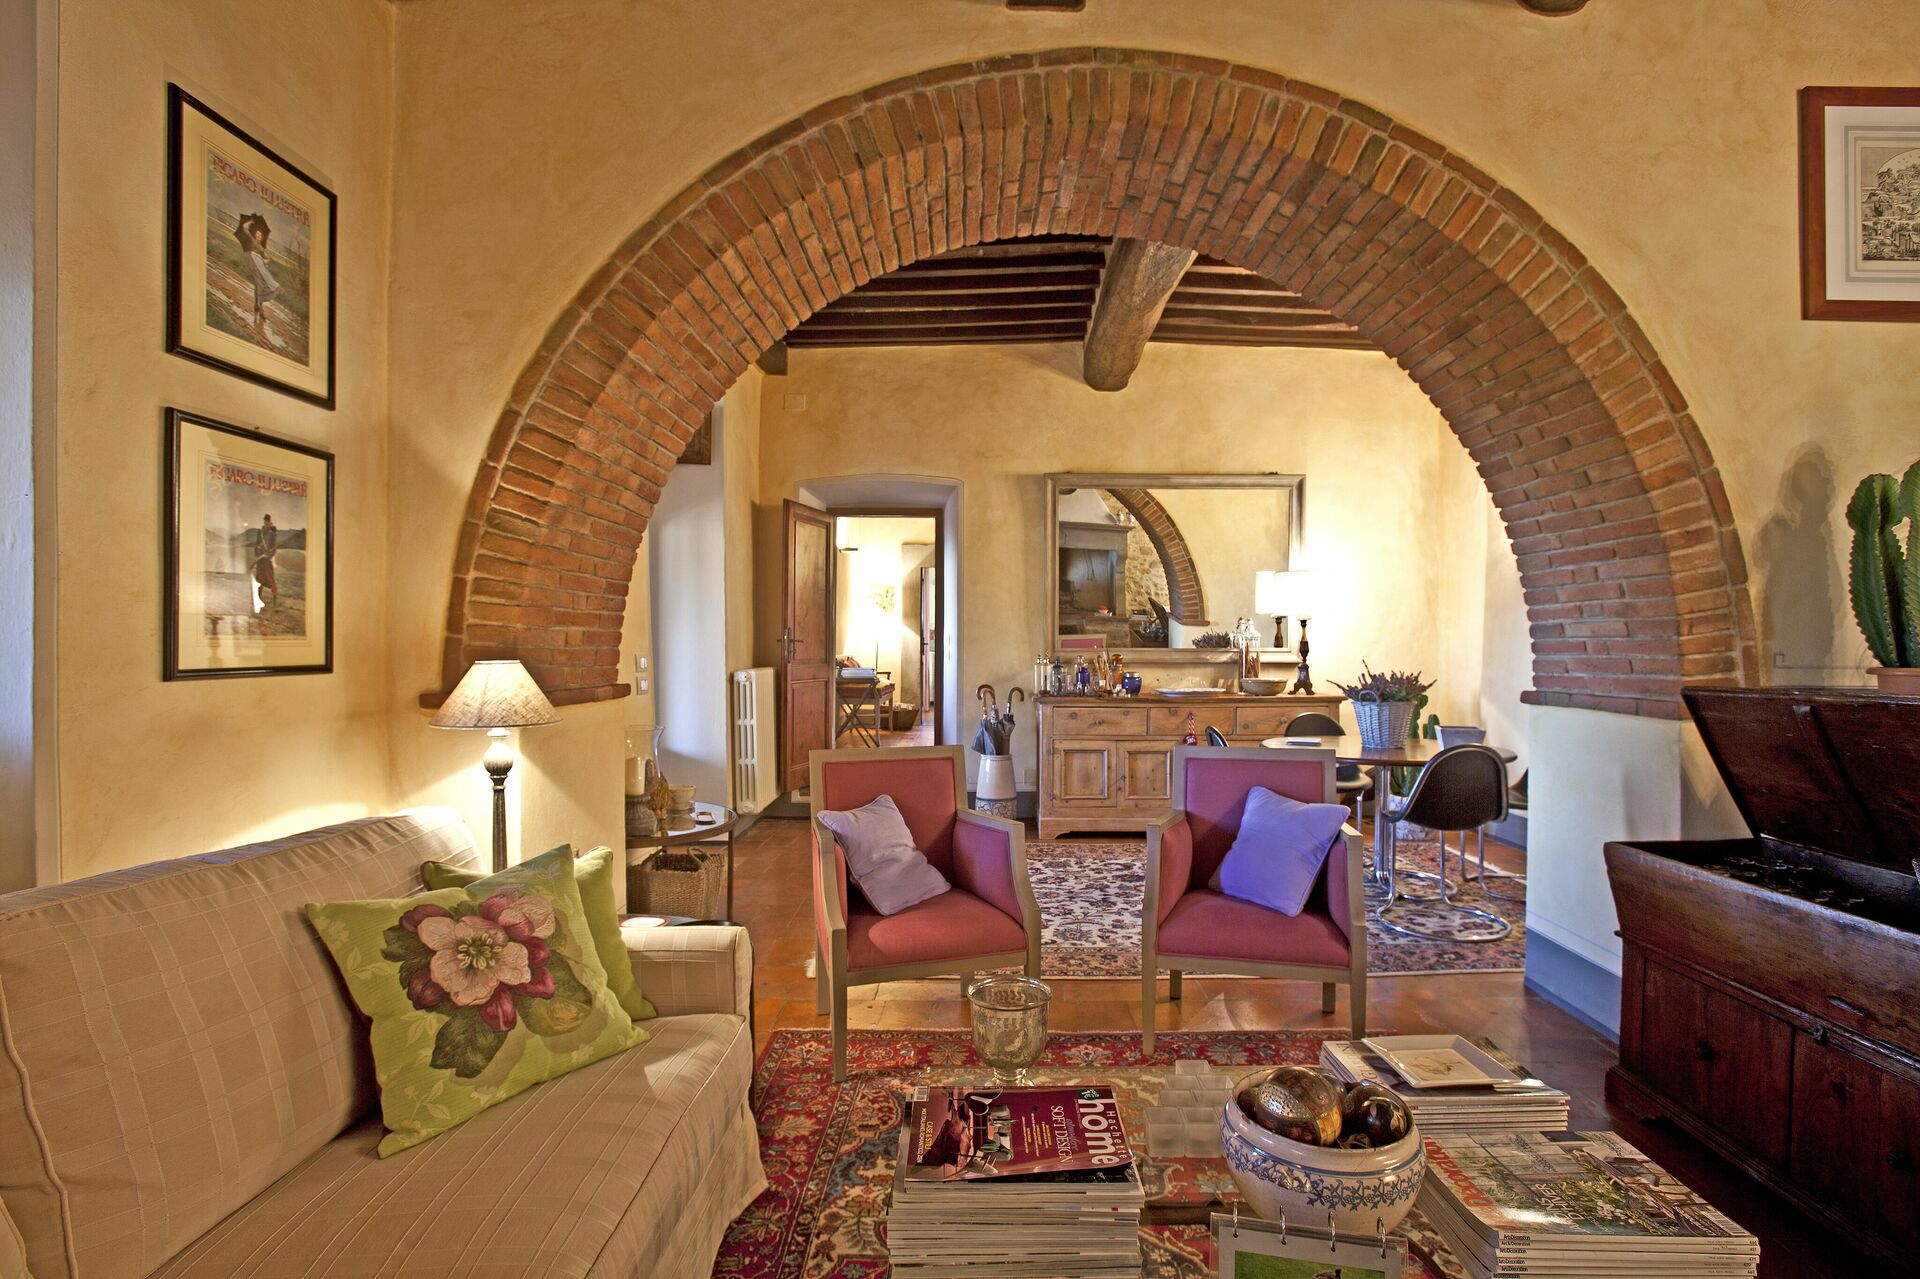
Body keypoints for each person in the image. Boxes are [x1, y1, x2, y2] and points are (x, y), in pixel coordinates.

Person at [234, 213, 280, 332]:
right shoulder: (252, 240)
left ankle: (259, 307)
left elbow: (264, 261)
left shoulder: (261, 248)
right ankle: (259, 308)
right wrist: (249, 223)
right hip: (254, 262)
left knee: (261, 285)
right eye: (257, 235)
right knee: (259, 284)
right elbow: (245, 229)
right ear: (255, 235)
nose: (259, 236)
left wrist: (268, 259)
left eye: (260, 235)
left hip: (260, 263)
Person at [252, 513, 279, 604]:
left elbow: (274, 547)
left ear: (270, 522)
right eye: (265, 521)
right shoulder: (260, 532)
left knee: (270, 579)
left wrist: (267, 555)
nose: (266, 523)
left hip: (267, 560)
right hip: (260, 560)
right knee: (259, 579)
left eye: (267, 521)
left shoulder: (273, 534)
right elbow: (256, 544)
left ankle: (275, 600)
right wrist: (258, 555)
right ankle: (258, 598)